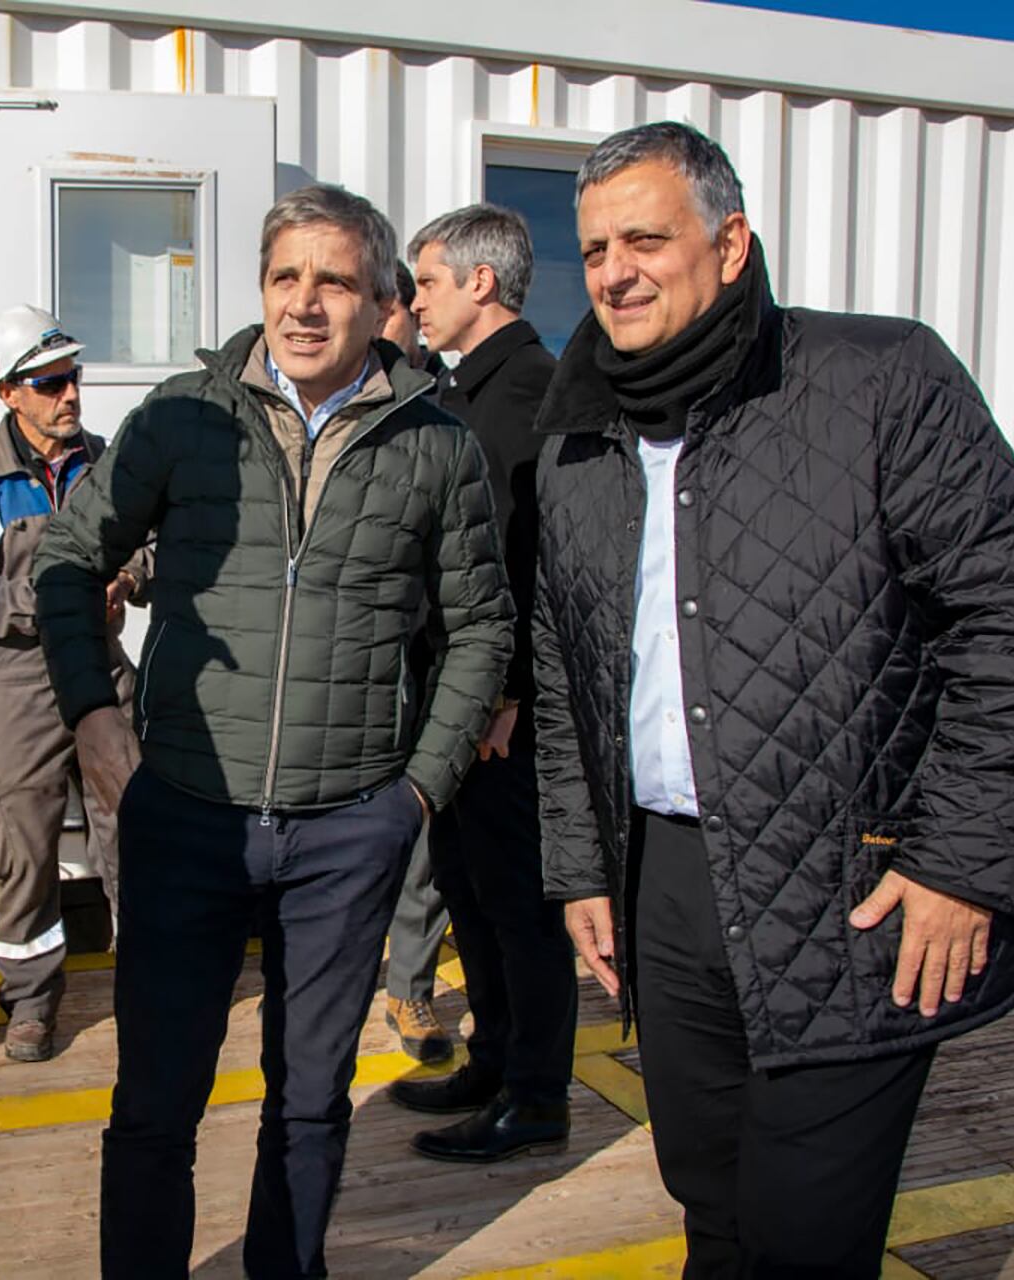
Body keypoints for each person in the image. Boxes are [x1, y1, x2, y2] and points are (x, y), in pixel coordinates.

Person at [531, 121, 1014, 1276]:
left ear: (731, 245)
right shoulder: (580, 435)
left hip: (854, 883)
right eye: (592, 249)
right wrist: (582, 861)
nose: (616, 270)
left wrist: (963, 864)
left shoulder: (878, 379)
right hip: (664, 885)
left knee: (804, 1237)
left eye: (645, 237)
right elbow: (563, 661)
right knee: (713, 1203)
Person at [33, 184, 514, 1279]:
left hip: (347, 831)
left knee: (306, 1103)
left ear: (383, 300)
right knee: (156, 1100)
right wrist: (94, 717)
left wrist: (418, 791)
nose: (306, 303)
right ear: (260, 287)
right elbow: (65, 557)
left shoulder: (434, 446)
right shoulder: (182, 417)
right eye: (285, 276)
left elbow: (483, 630)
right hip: (186, 817)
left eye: (335, 280)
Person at [386, 203, 579, 1163]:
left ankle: (539, 1097)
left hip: (508, 718)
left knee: (521, 909)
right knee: (468, 891)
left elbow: (545, 567)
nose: (411, 300)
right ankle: (496, 1060)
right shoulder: (462, 396)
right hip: (454, 706)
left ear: (480, 282)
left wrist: (510, 696)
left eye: (423, 281)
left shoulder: (537, 397)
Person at [0, 304, 146, 1062]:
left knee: (138, 822)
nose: (71, 396)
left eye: (74, 378)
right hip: (16, 681)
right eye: (51, 383)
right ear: (9, 394)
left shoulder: (110, 462)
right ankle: (30, 1000)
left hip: (101, 666)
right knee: (21, 841)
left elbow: (150, 542)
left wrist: (127, 573)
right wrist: (48, 601)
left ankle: (147, 980)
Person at [377, 256, 454, 1064]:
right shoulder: (349, 402)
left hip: (431, 659)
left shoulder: (445, 406)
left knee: (423, 837)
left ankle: (410, 992)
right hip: (362, 660)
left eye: (394, 305)